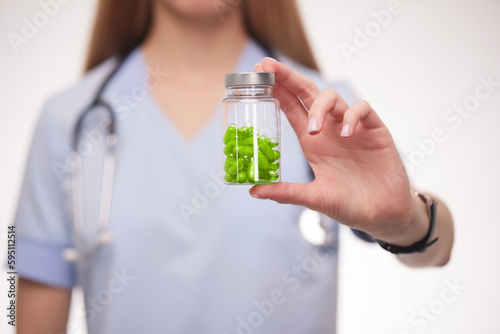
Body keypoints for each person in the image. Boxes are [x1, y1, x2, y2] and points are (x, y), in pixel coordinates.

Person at [15, 0, 454, 333]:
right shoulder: (68, 119)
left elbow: (438, 248)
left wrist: (407, 221)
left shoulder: (323, 109)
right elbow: (23, 304)